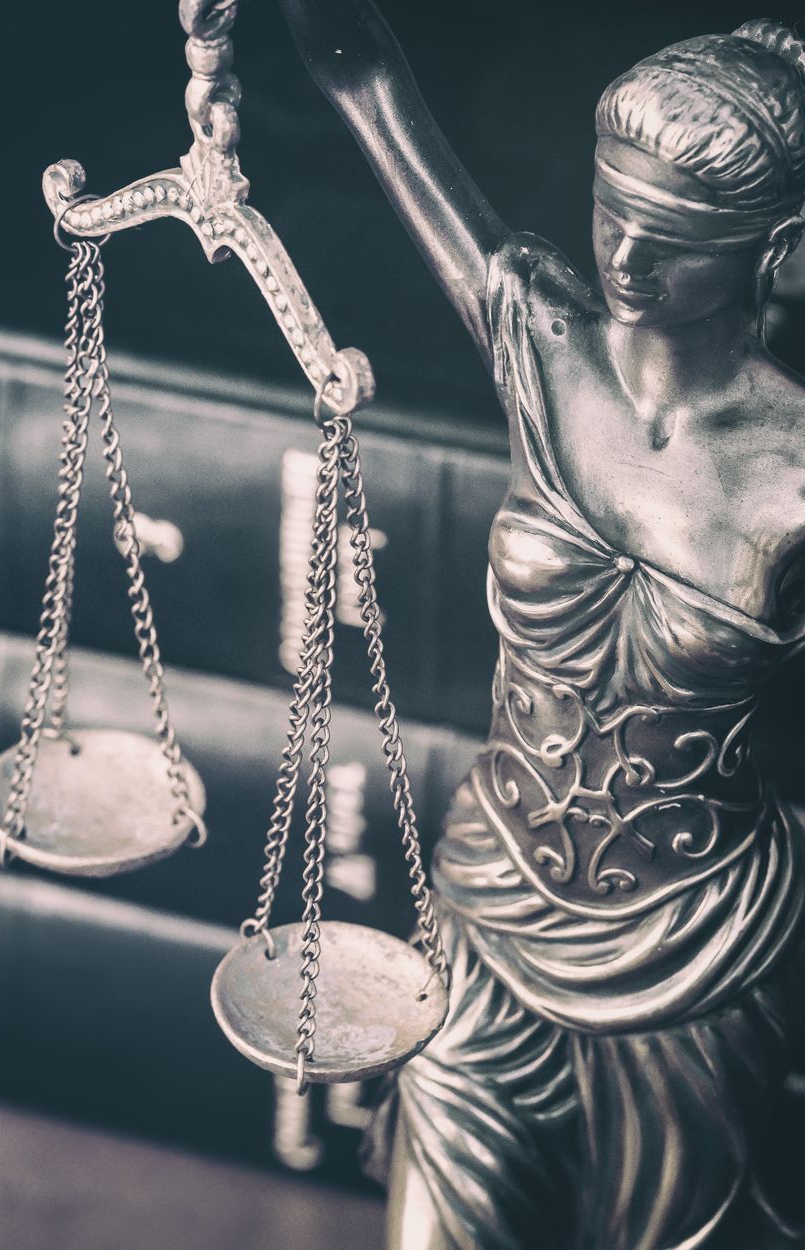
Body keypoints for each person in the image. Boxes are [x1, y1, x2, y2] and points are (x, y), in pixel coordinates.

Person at [277, 3, 805, 1246]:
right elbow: (368, 87)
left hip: (695, 951)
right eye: (611, 207)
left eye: (675, 238)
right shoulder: (545, 345)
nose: (625, 254)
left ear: (772, 247)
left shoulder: (793, 479)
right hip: (490, 895)